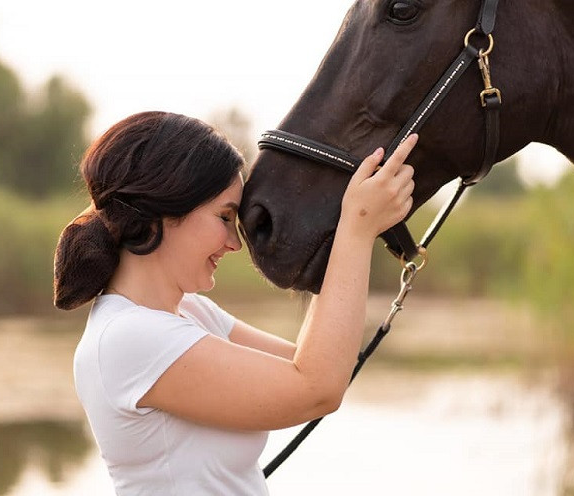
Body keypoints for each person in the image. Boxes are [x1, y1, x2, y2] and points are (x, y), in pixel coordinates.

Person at [53, 111, 416, 495]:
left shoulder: (190, 312)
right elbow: (317, 388)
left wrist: (342, 230)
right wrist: (356, 227)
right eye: (225, 217)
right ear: (165, 208)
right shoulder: (127, 338)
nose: (234, 243)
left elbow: (316, 364)